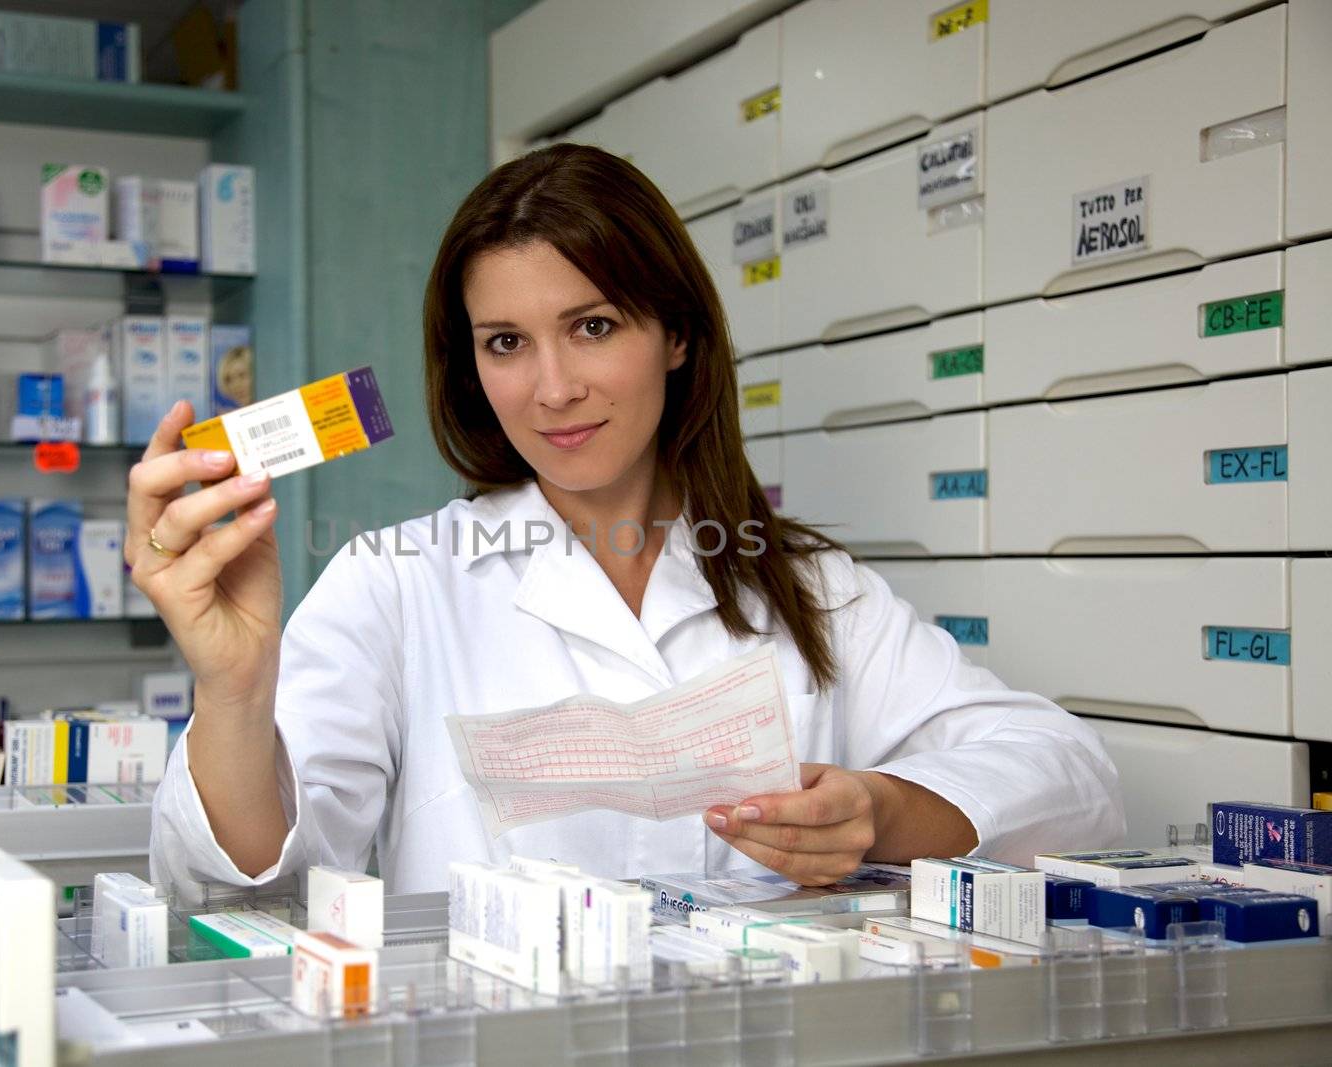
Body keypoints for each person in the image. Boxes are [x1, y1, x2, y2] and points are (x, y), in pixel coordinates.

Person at [133, 144, 1124, 901]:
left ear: (678, 333)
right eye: (507, 341)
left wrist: (879, 809)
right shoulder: (398, 582)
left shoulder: (806, 587)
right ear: (470, 366)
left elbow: (1071, 779)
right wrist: (232, 686)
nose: (553, 387)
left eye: (594, 325)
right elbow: (234, 881)